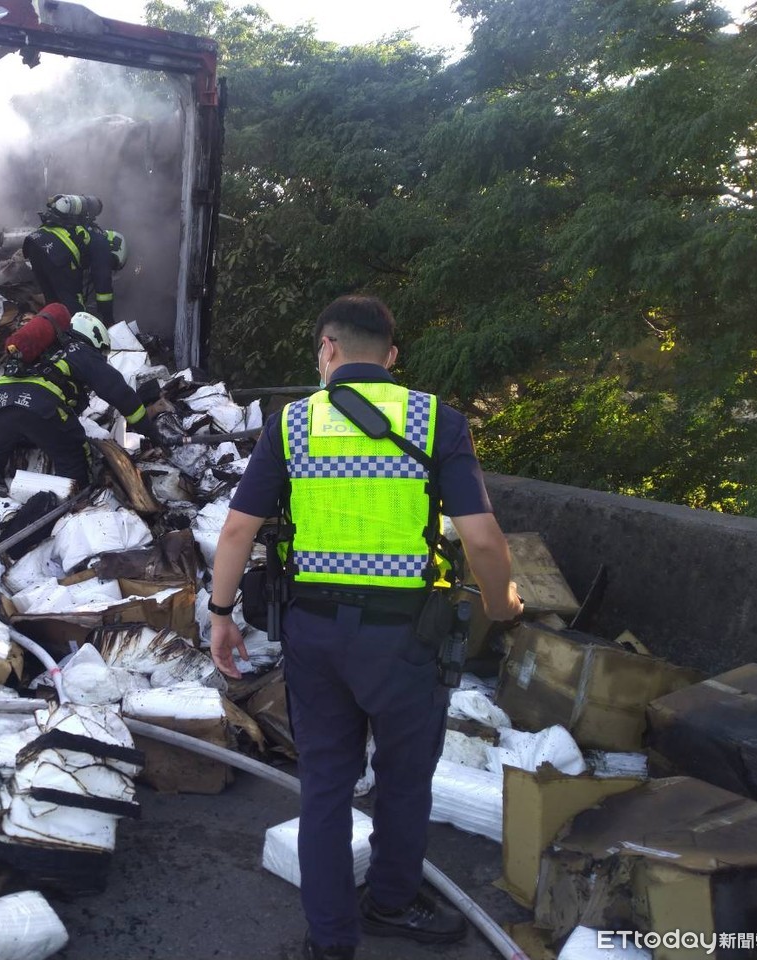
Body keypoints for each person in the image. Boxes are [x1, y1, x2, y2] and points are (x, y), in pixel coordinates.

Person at [207, 295, 523, 960]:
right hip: (407, 638)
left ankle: (329, 941)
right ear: (392, 356)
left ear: (327, 349)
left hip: (315, 633)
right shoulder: (436, 420)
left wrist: (221, 615)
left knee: (325, 783)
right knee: (405, 778)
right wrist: (501, 605)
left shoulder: (291, 423)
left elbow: (237, 530)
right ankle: (391, 902)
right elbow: (482, 539)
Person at [0, 310, 166, 516]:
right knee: (75, 461)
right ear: (95, 339)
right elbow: (117, 390)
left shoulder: (42, 349)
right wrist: (148, 430)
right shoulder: (80, 349)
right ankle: (64, 515)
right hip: (41, 404)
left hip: (0, 400)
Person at [22, 195, 126, 324]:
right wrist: (108, 319)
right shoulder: (102, 244)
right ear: (115, 249)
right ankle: (73, 335)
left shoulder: (87, 230)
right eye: (113, 263)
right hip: (56, 252)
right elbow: (103, 286)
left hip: (35, 242)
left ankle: (53, 331)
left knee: (53, 302)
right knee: (75, 310)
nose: (110, 266)